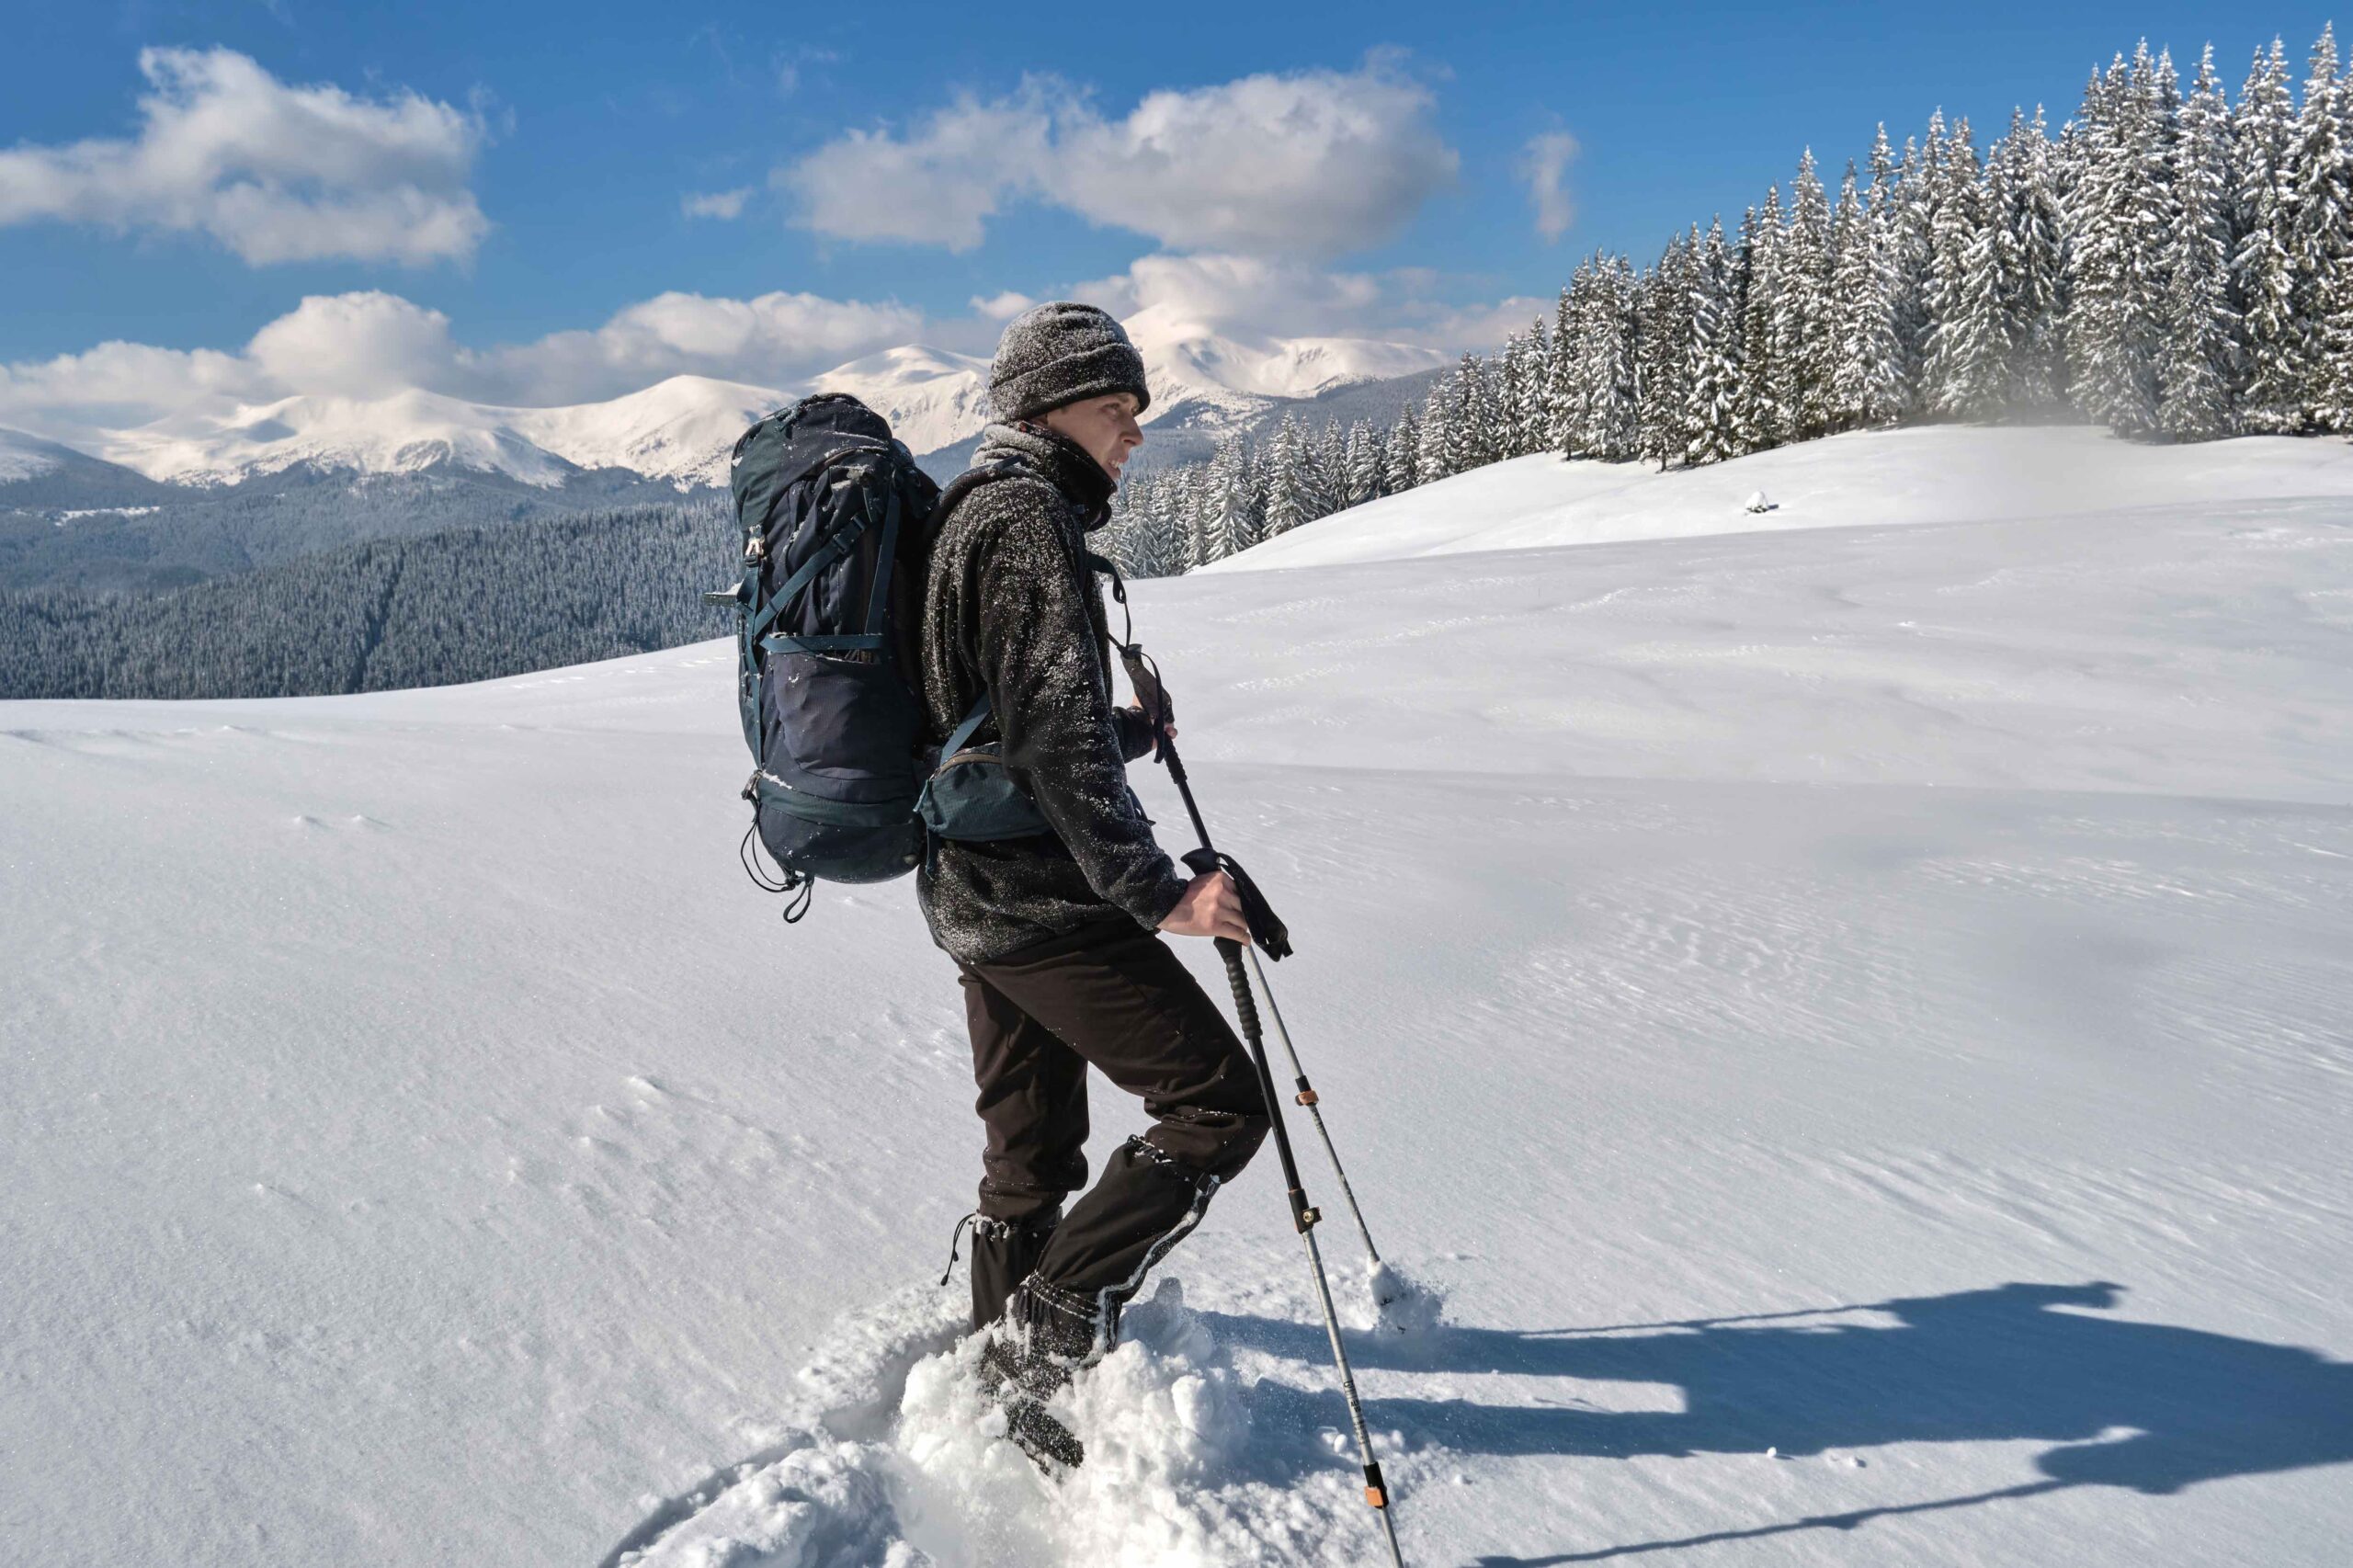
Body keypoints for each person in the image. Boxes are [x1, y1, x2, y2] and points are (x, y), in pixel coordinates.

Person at [917, 301, 1268, 1463]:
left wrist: (1117, 727)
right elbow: (1052, 751)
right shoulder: (1026, 521)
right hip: (1040, 902)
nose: (1132, 431)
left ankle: (997, 1387)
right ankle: (1047, 1329)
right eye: (1115, 407)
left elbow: (1007, 725)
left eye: (1135, 410)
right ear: (1048, 406)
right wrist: (1164, 893)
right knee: (1217, 1102)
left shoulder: (979, 508)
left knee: (1027, 1159)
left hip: (973, 894)